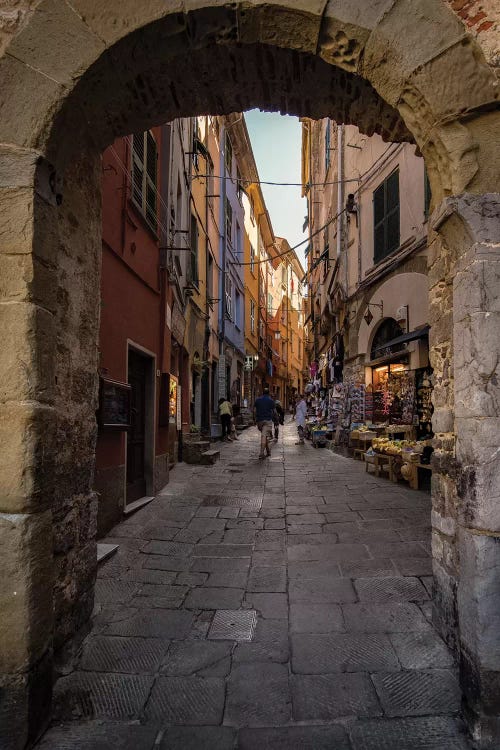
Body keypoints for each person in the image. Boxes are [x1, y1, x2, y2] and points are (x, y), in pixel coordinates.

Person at [253, 386, 275, 459]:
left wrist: (254, 419)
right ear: (268, 393)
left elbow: (254, 410)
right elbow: (274, 411)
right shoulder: (271, 400)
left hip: (259, 421)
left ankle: (268, 451)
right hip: (267, 420)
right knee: (264, 436)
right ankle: (261, 453)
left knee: (264, 435)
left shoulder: (257, 400)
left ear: (262, 393)